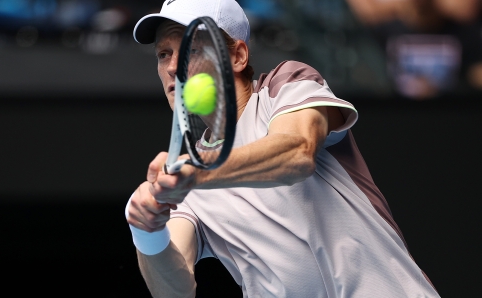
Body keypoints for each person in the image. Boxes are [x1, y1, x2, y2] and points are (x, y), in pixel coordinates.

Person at [125, 0, 440, 297]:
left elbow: (297, 152)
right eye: (163, 53)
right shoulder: (186, 179)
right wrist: (147, 232)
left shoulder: (285, 87)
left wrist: (197, 173)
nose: (172, 67)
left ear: (237, 57)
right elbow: (175, 290)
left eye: (191, 49)